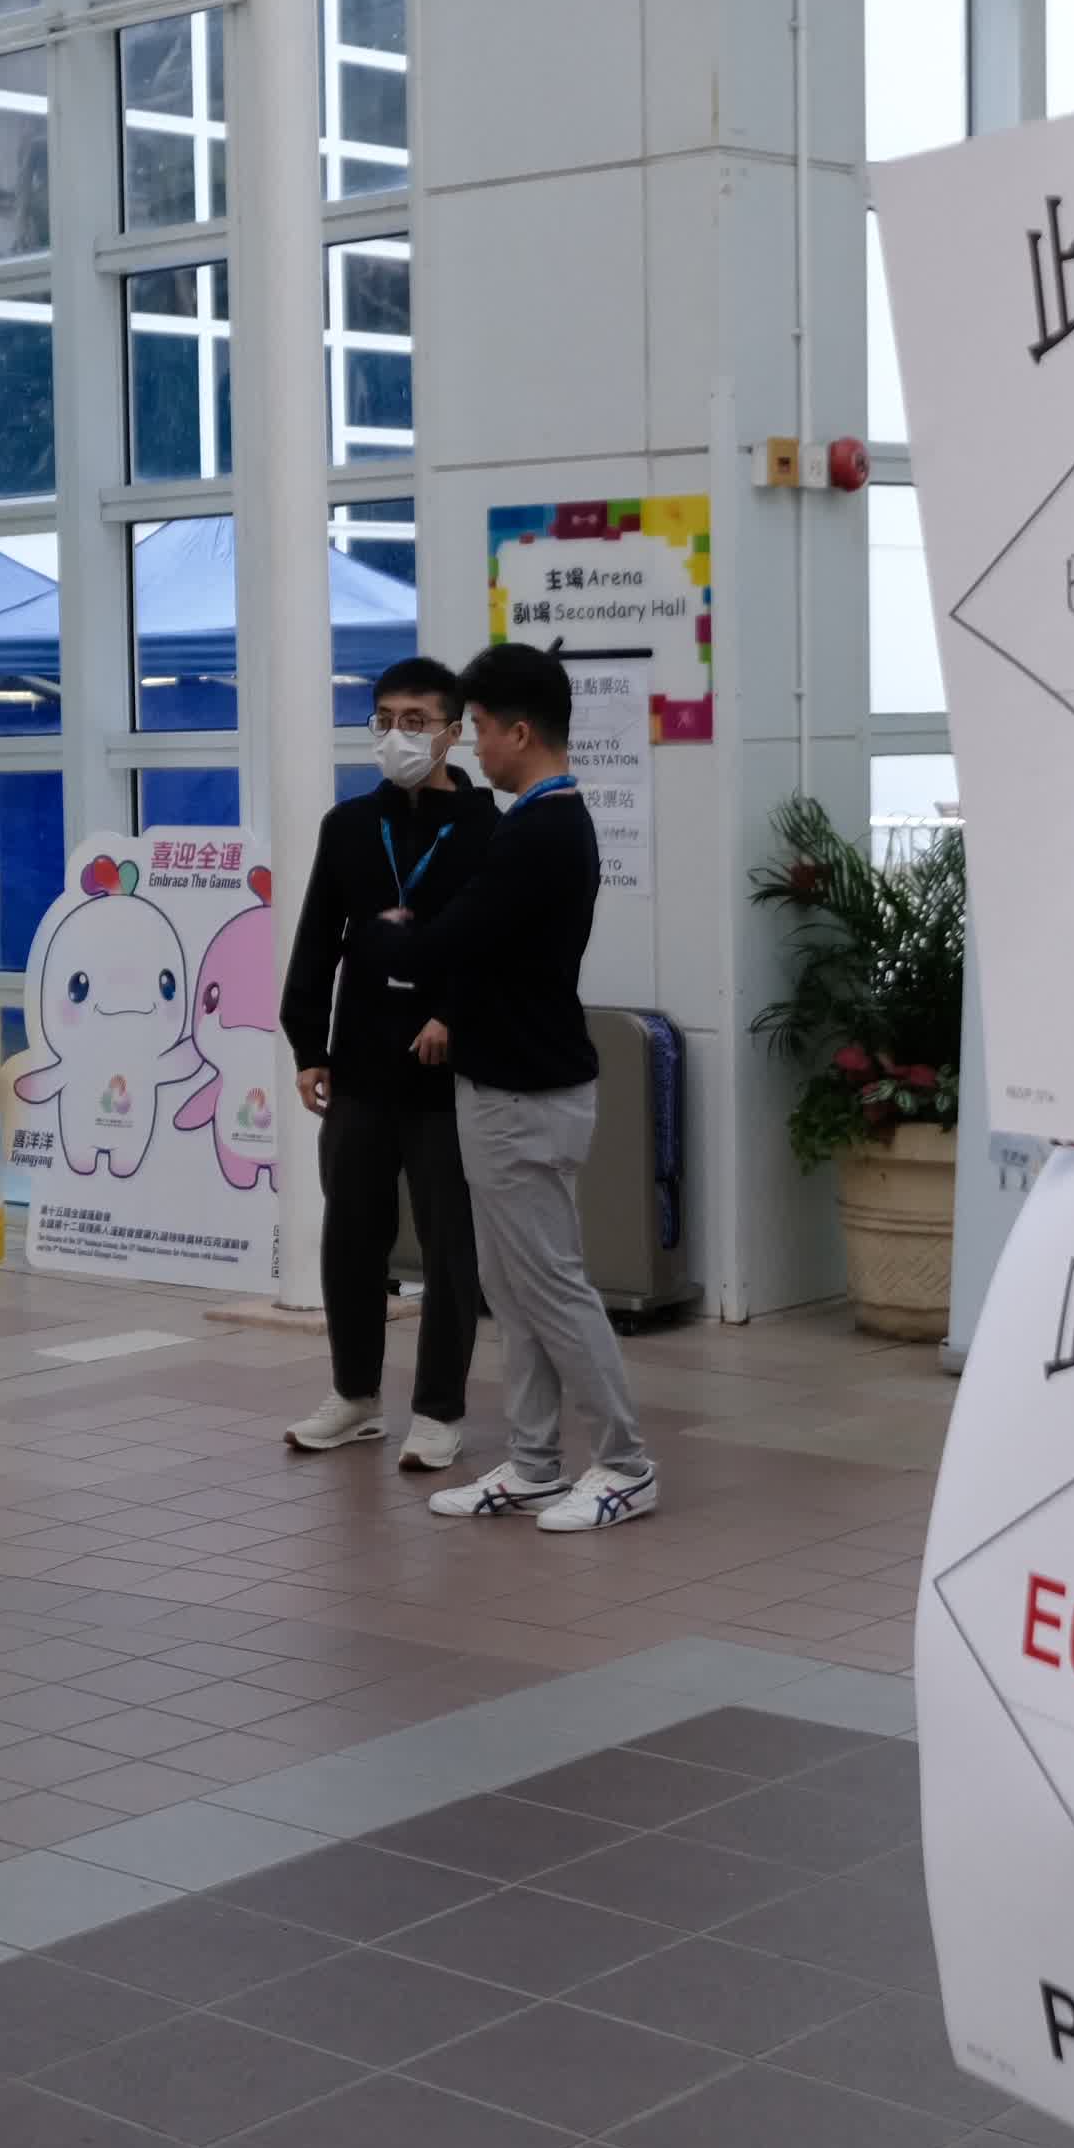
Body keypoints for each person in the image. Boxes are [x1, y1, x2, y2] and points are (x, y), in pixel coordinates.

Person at [409, 642, 654, 1531]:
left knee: (550, 1285)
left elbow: (457, 937)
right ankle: (534, 1462)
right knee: (512, 1288)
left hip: (525, 1092)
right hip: (505, 1079)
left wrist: (399, 934)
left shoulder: (544, 827)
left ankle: (625, 1462)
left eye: (475, 727)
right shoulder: (535, 822)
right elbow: (490, 954)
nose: (471, 745)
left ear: (518, 730)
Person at [279, 656, 497, 1473]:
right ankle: (356, 1397)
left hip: (447, 1076)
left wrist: (455, 1014)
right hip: (360, 1067)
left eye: (415, 719)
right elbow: (315, 941)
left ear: (451, 731)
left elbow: (501, 948)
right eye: (384, 719)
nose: (398, 734)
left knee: (449, 1250)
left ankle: (438, 1410)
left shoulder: (487, 829)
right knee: (350, 1238)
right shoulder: (348, 827)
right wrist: (308, 1047)